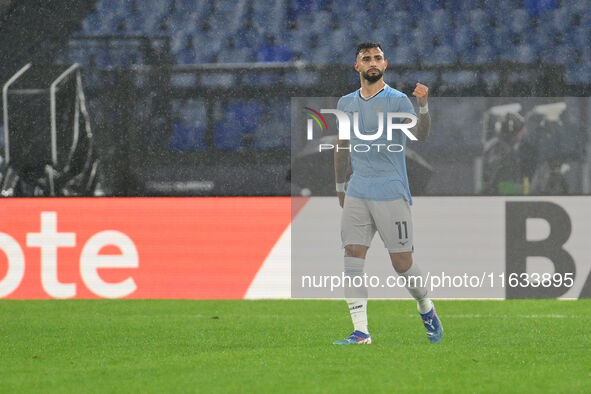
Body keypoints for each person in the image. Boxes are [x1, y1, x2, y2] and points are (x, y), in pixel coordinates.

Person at [333, 42, 443, 345]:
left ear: (385, 64)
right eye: (366, 58)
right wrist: (340, 186)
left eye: (377, 58)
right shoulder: (346, 103)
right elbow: (341, 146)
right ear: (357, 66)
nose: (372, 62)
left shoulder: (397, 101)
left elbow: (420, 135)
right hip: (358, 189)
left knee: (401, 263)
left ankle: (426, 307)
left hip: (391, 190)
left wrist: (423, 106)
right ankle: (361, 332)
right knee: (352, 256)